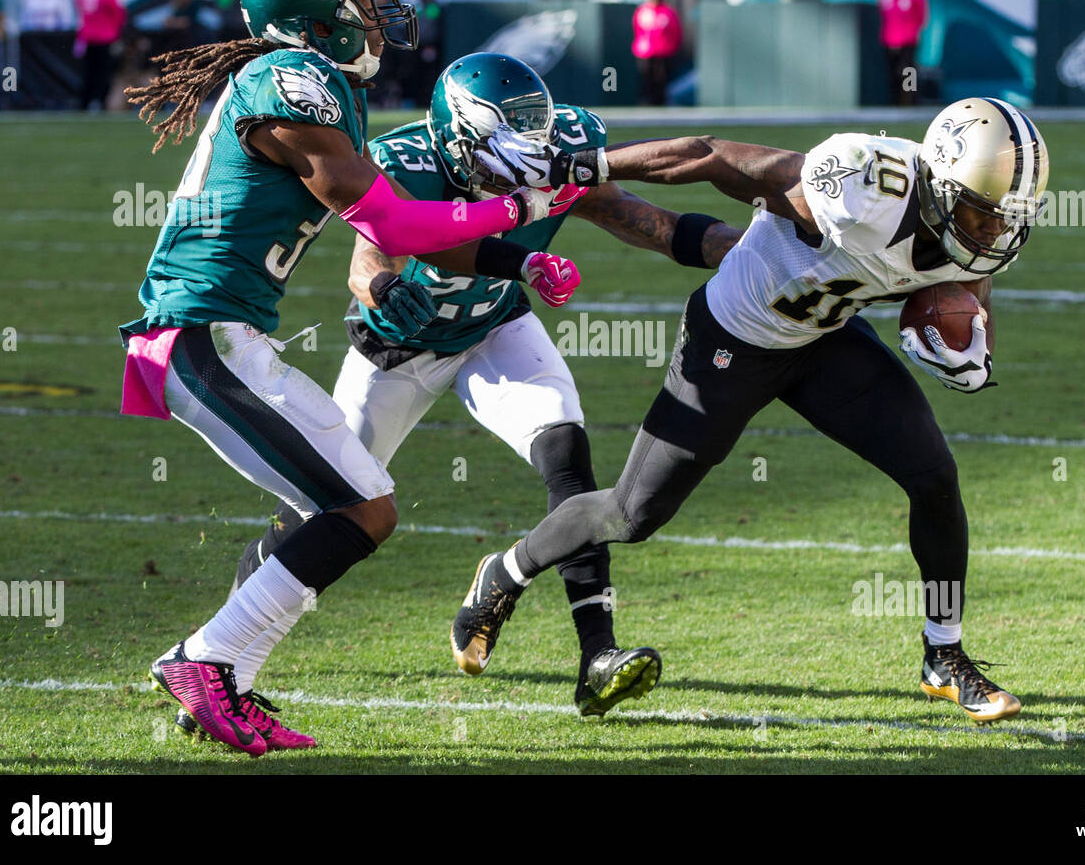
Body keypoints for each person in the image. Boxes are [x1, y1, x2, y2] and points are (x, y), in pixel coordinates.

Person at [457, 96, 1051, 725]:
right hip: (732, 341)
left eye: (1005, 218)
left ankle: (944, 655)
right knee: (632, 514)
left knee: (933, 477)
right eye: (982, 215)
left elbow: (968, 283)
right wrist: (588, 165)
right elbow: (709, 156)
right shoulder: (860, 185)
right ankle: (506, 571)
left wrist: (972, 343)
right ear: (937, 186)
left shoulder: (979, 231)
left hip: (823, 340)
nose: (994, 233)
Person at [121, 0, 569, 756]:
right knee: (361, 505)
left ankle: (220, 675)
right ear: (317, 10)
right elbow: (392, 220)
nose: (381, 12)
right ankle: (207, 661)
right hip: (200, 334)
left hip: (226, 334)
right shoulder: (290, 83)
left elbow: (415, 235)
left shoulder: (314, 82)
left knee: (355, 503)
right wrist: (519, 208)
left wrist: (518, 255)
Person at [223, 52, 743, 722]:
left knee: (568, 460)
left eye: (534, 137)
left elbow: (640, 218)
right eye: (506, 143)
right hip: (395, 351)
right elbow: (369, 255)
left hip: (495, 325)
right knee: (317, 512)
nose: (526, 159)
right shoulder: (407, 160)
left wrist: (745, 245)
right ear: (458, 138)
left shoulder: (561, 153)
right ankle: (222, 657)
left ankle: (598, 659)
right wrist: (382, 287)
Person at [74, 0, 125, 110]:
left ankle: (84, 102)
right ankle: (101, 101)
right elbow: (119, 14)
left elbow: (79, 9)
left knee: (88, 72)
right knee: (103, 72)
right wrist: (116, 33)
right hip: (105, 38)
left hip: (87, 37)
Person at [878, 0, 926, 107]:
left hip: (908, 41)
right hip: (889, 40)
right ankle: (895, 101)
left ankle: (910, 101)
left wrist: (911, 34)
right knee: (893, 73)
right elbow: (883, 15)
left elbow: (920, 17)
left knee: (908, 72)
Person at [632, 0, 681, 107]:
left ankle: (660, 102)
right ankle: (646, 102)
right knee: (646, 78)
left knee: (661, 79)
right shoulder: (643, 11)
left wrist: (671, 47)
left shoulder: (667, 12)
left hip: (663, 51)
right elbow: (637, 29)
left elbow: (675, 31)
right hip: (646, 51)